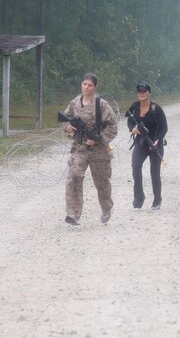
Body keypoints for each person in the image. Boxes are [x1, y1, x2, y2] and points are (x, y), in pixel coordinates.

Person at [63, 72, 118, 225]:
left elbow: (113, 126)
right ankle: (73, 214)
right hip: (79, 148)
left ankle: (106, 208)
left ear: (95, 87)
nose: (86, 87)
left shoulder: (101, 105)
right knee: (73, 177)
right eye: (84, 84)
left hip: (99, 150)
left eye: (90, 85)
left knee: (102, 183)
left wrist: (99, 139)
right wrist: (67, 127)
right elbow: (65, 120)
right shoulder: (74, 103)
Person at [125, 80, 168, 210]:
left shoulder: (156, 108)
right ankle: (138, 198)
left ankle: (157, 200)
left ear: (149, 93)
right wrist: (132, 129)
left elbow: (164, 127)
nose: (142, 94)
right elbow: (129, 121)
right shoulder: (134, 106)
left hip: (155, 143)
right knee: (135, 166)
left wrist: (157, 140)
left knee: (154, 172)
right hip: (140, 143)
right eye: (140, 91)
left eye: (144, 91)